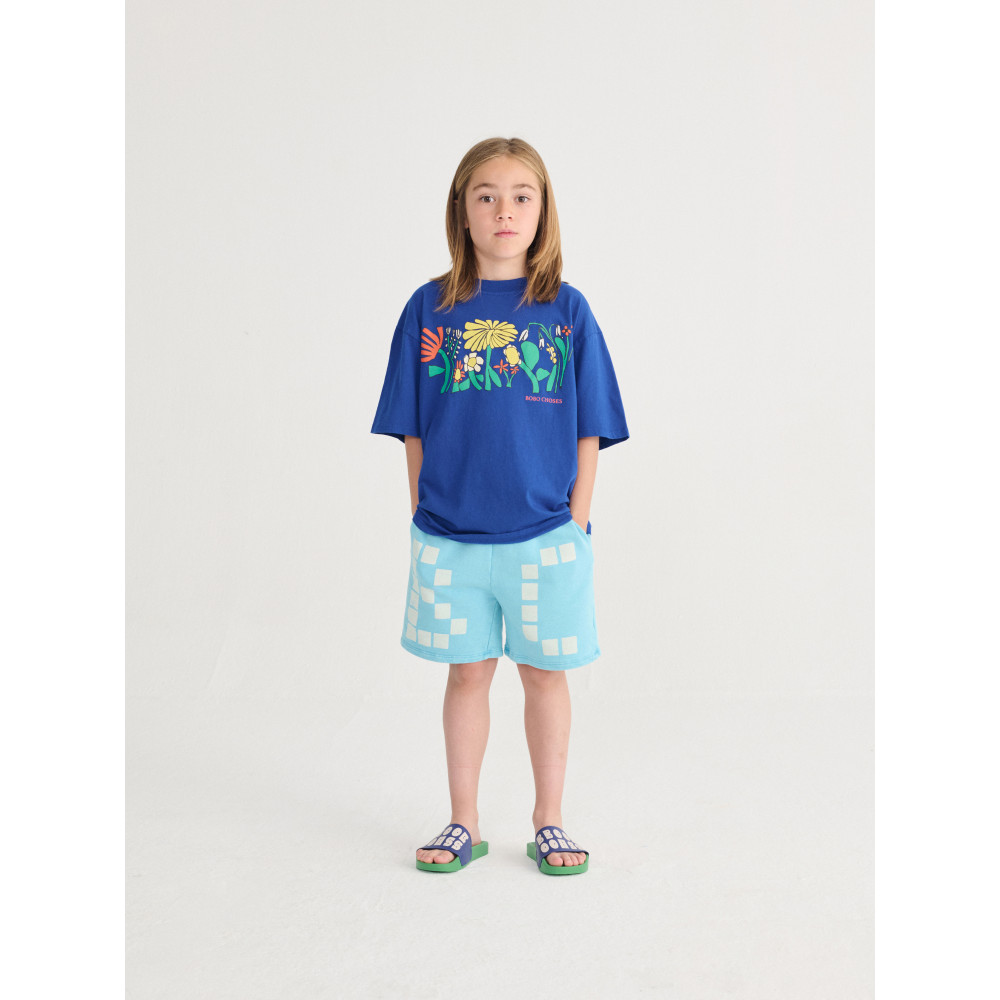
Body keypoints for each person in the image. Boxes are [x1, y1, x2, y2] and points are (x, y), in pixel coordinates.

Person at [371, 137, 629, 875]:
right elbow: (412, 425)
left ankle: (550, 819)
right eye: (485, 196)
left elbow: (591, 424)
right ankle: (464, 820)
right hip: (450, 537)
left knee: (545, 675)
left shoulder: (565, 310)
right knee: (466, 675)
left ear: (543, 210)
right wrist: (422, 508)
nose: (504, 210)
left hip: (547, 535)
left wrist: (578, 519)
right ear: (462, 210)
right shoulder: (430, 308)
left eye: (521, 196)